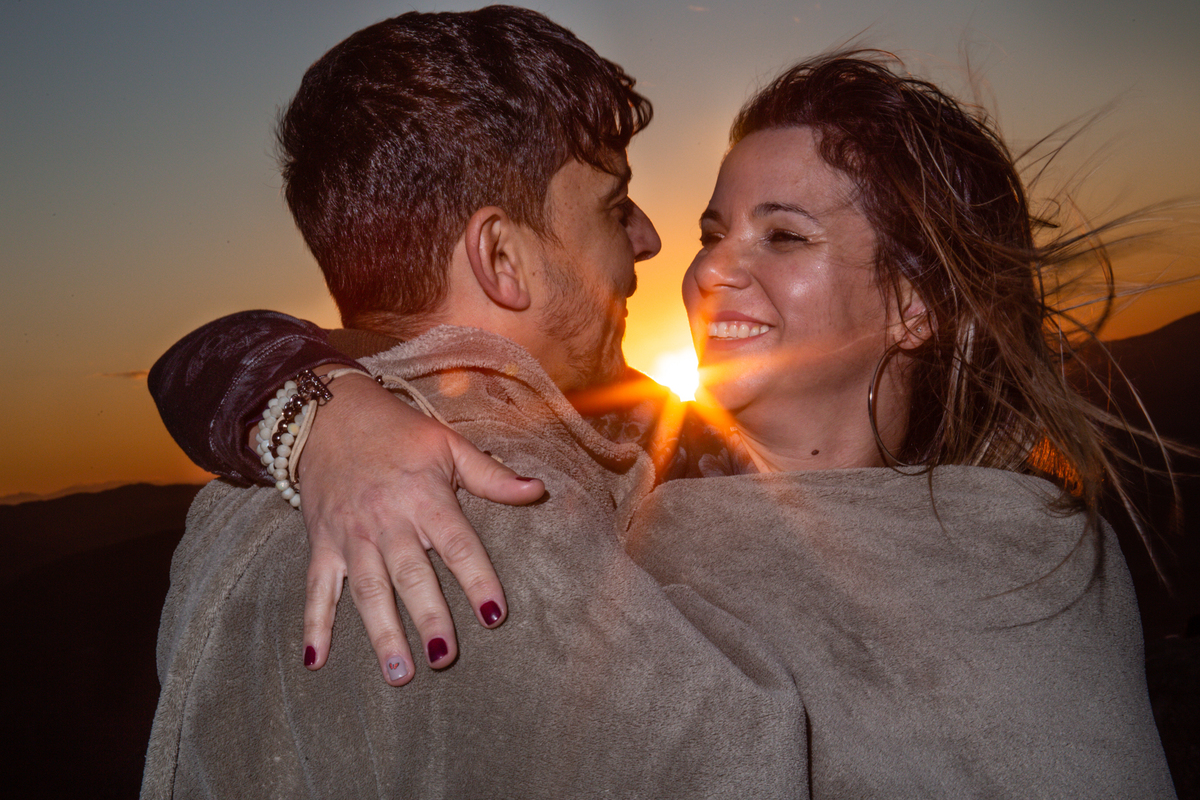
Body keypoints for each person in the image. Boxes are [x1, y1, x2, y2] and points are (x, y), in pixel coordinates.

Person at [151, 45, 1177, 800]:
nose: (688, 258)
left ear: (916, 304)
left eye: (785, 232)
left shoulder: (1030, 555)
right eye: (713, 229)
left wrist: (304, 403)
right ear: (503, 259)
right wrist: (314, 414)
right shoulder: (542, 508)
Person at [141, 8, 807, 798]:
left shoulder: (232, 510)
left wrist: (312, 405)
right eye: (612, 204)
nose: (651, 239)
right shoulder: (498, 517)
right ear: (501, 258)